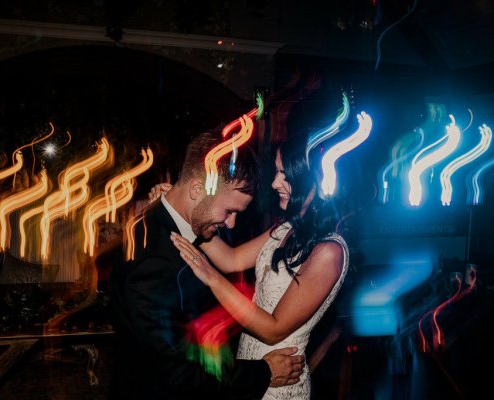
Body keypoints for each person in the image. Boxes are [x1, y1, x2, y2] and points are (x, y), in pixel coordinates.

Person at [110, 131, 305, 400]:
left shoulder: (171, 226)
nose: (231, 224)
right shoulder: (153, 264)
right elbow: (180, 374)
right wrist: (265, 372)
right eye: (229, 211)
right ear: (196, 189)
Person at [167, 132, 349, 400]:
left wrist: (212, 278)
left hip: (280, 384)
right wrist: (185, 211)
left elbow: (273, 329)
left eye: (284, 174)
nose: (276, 183)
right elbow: (232, 259)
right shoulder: (286, 228)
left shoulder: (329, 251)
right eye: (277, 172)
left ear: (314, 181)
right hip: (254, 372)